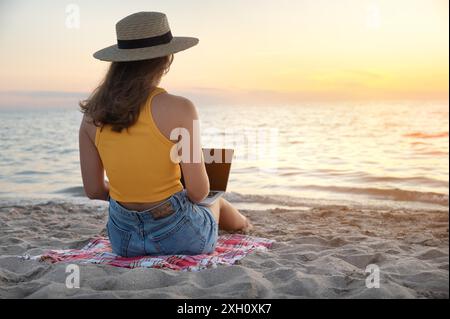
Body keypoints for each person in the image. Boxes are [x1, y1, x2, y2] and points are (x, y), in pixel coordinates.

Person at [78, 12, 252, 257]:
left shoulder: (91, 116)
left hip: (124, 241)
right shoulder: (181, 108)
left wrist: (134, 196)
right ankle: (246, 226)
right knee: (215, 202)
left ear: (118, 62)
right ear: (166, 60)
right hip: (180, 236)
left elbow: (94, 190)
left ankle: (243, 224)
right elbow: (198, 191)